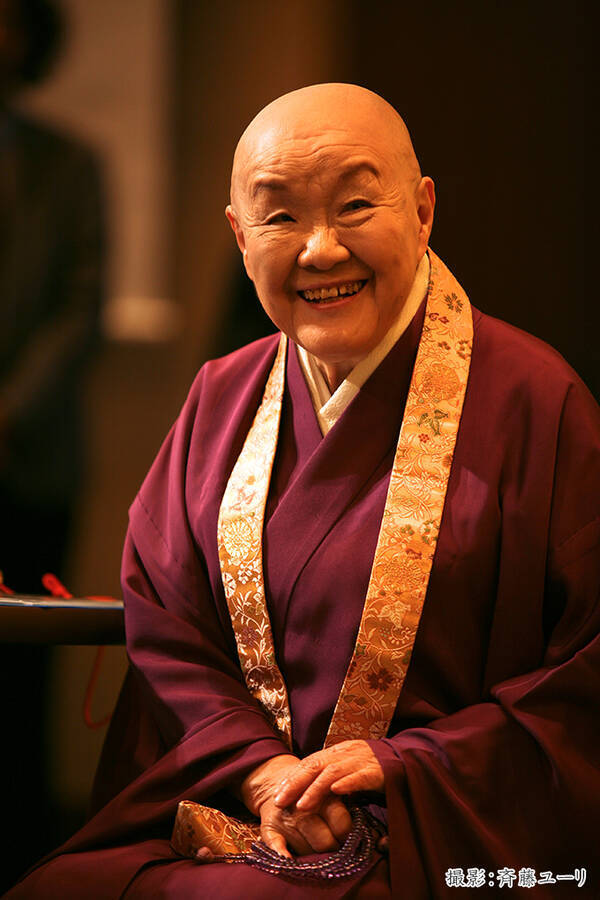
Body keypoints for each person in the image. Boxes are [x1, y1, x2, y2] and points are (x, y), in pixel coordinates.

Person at [6, 83, 599, 899]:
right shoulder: (222, 396)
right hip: (232, 805)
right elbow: (169, 624)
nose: (320, 251)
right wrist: (261, 773)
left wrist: (399, 768)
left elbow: (583, 678)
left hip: (440, 832)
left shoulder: (535, 401)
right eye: (280, 217)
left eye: (355, 205)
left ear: (423, 211)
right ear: (239, 236)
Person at [0, 0, 105, 891]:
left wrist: (5, 412)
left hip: (31, 463)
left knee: (23, 682)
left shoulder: (71, 162)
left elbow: (82, 305)